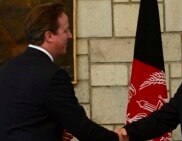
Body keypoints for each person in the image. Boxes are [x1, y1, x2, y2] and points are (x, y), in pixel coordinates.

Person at [0, 3, 121, 141]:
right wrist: (117, 139)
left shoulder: (7, 70)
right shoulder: (53, 76)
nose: (70, 35)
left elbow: (22, 120)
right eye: (66, 30)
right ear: (49, 36)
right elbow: (80, 126)